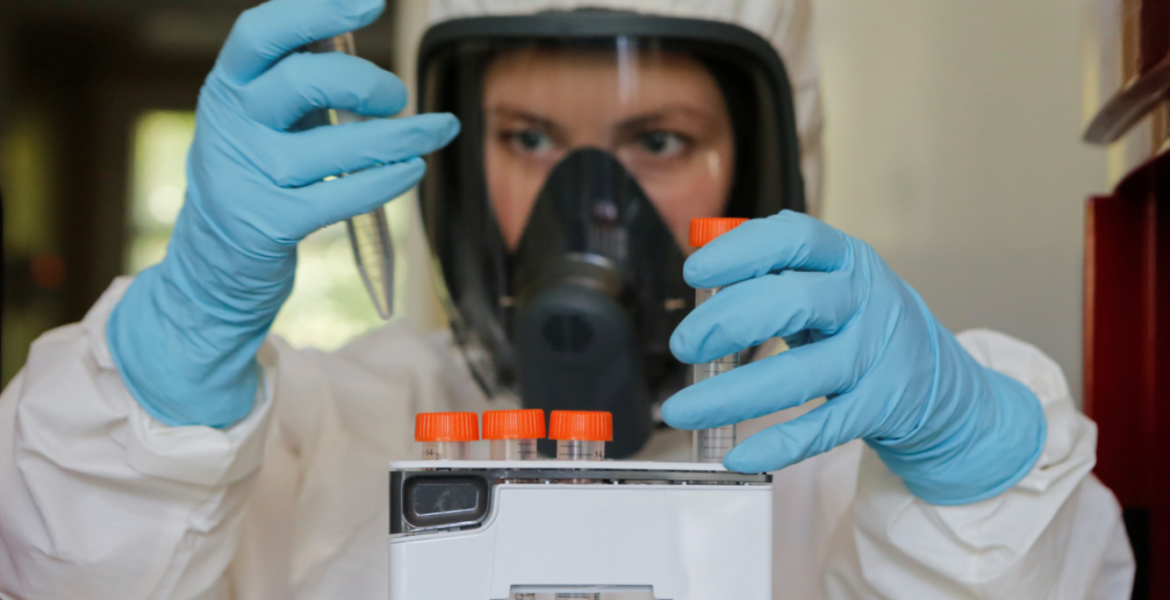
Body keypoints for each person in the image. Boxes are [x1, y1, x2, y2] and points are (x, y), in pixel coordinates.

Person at [0, 0, 1135, 598]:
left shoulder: (845, 463)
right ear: (455, 166)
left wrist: (972, 481)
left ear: (762, 163)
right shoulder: (326, 437)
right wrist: (174, 364)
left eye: (659, 139)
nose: (591, 202)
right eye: (529, 138)